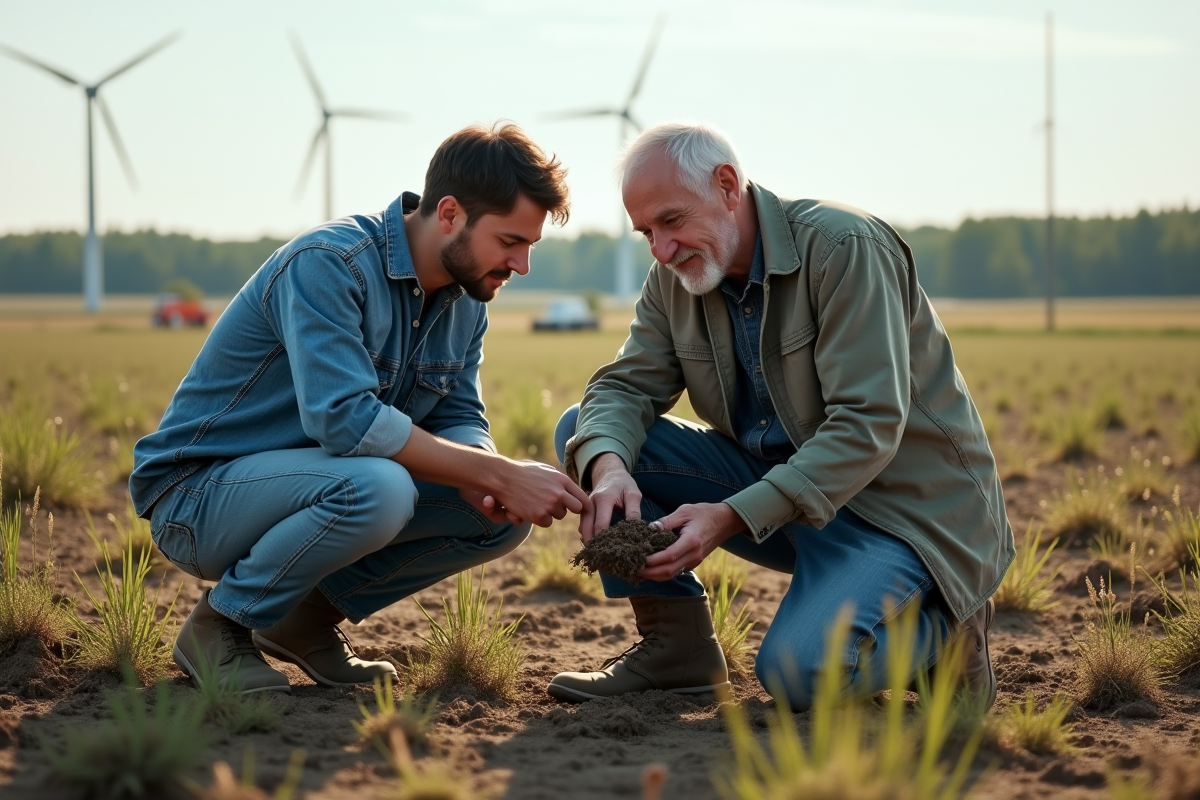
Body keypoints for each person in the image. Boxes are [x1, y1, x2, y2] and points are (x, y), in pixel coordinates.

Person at [548, 122, 1013, 710]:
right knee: (587, 434)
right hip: (790, 497)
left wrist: (730, 516)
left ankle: (945, 632)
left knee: (798, 674)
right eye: (646, 233)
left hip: (903, 515)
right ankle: (677, 651)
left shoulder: (846, 248)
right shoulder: (674, 276)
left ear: (726, 185)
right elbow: (624, 386)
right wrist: (611, 471)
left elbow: (867, 426)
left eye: (671, 220)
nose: (661, 250)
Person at [131, 123, 591, 695]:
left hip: (319, 484)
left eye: (530, 246)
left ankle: (301, 621)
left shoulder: (468, 299)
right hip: (198, 498)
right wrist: (495, 472)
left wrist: (487, 478)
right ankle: (219, 625)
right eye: (510, 241)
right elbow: (343, 419)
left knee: (498, 517)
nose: (521, 265)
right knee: (380, 488)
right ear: (450, 214)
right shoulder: (329, 263)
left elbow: (459, 416)